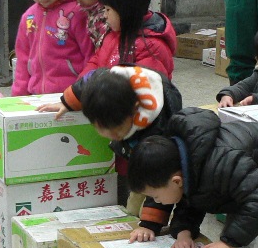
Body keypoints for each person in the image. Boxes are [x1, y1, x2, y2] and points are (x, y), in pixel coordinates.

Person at [127, 108, 258, 248]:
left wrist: (228, 242)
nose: (155, 200)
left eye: (155, 196)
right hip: (241, 173)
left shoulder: (222, 164)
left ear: (176, 181)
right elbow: (191, 197)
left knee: (239, 232)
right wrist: (184, 233)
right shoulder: (182, 163)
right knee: (225, 204)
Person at [56, 65, 183, 231]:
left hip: (158, 168)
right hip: (137, 152)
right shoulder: (103, 84)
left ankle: (157, 222)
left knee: (156, 195)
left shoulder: (159, 128)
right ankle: (135, 218)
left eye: (118, 132)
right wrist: (67, 103)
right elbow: (85, 85)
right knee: (132, 209)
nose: (112, 136)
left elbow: (160, 178)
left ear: (135, 110)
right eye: (103, 130)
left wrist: (150, 225)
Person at [11, 0, 91, 95]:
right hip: (37, 98)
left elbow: (90, 56)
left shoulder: (77, 12)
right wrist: (17, 97)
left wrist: (80, 93)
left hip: (70, 97)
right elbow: (22, 63)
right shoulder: (28, 17)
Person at [77, 0, 177, 79]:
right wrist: (79, 87)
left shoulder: (151, 48)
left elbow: (143, 89)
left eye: (108, 9)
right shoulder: (112, 35)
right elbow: (95, 63)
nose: (105, 15)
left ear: (125, 9)